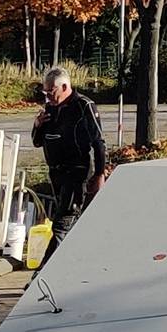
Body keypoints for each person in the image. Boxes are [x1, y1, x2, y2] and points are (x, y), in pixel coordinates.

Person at [31, 67, 108, 239]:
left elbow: (98, 142)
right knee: (71, 220)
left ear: (64, 87)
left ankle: (52, 257)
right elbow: (37, 142)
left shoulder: (84, 106)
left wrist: (100, 174)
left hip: (76, 171)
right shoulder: (49, 108)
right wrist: (37, 126)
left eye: (51, 92)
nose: (48, 97)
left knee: (62, 224)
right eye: (45, 93)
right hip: (55, 171)